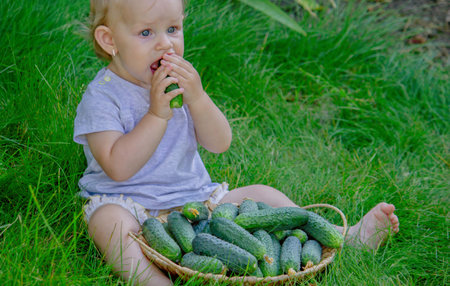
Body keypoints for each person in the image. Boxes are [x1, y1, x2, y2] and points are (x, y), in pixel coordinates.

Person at [73, 0, 400, 285]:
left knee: (263, 194)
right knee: (107, 224)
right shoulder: (102, 97)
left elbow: (219, 143)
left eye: (172, 29)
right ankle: (151, 281)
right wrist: (157, 116)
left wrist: (198, 98)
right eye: (146, 33)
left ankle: (340, 235)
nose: (165, 45)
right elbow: (117, 166)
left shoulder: (182, 86)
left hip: (196, 198)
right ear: (110, 39)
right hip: (131, 204)